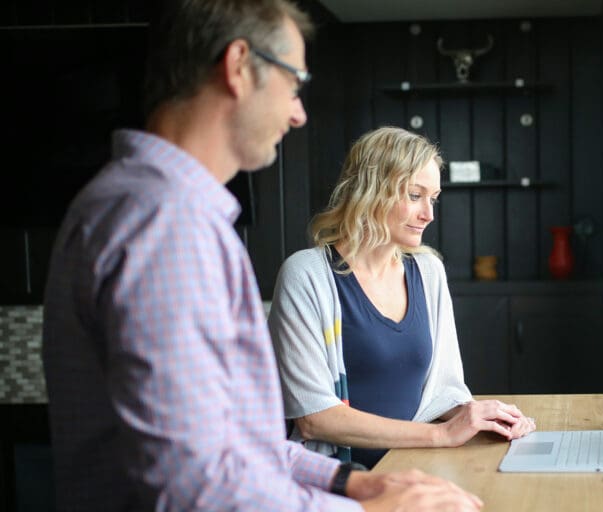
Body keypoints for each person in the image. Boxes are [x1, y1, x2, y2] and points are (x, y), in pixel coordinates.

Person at [41, 1, 482, 510]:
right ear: (237, 67)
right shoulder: (166, 225)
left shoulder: (152, 207)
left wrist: (351, 483)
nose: (298, 113)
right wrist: (371, 509)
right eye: (294, 83)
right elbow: (194, 485)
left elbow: (236, 442)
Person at [268, 126, 536, 467]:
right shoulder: (306, 276)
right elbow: (314, 417)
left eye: (433, 198)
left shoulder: (428, 271)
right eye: (414, 195)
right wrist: (442, 435)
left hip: (417, 465)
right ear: (370, 191)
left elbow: (444, 389)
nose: (429, 214)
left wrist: (481, 415)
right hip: (338, 479)